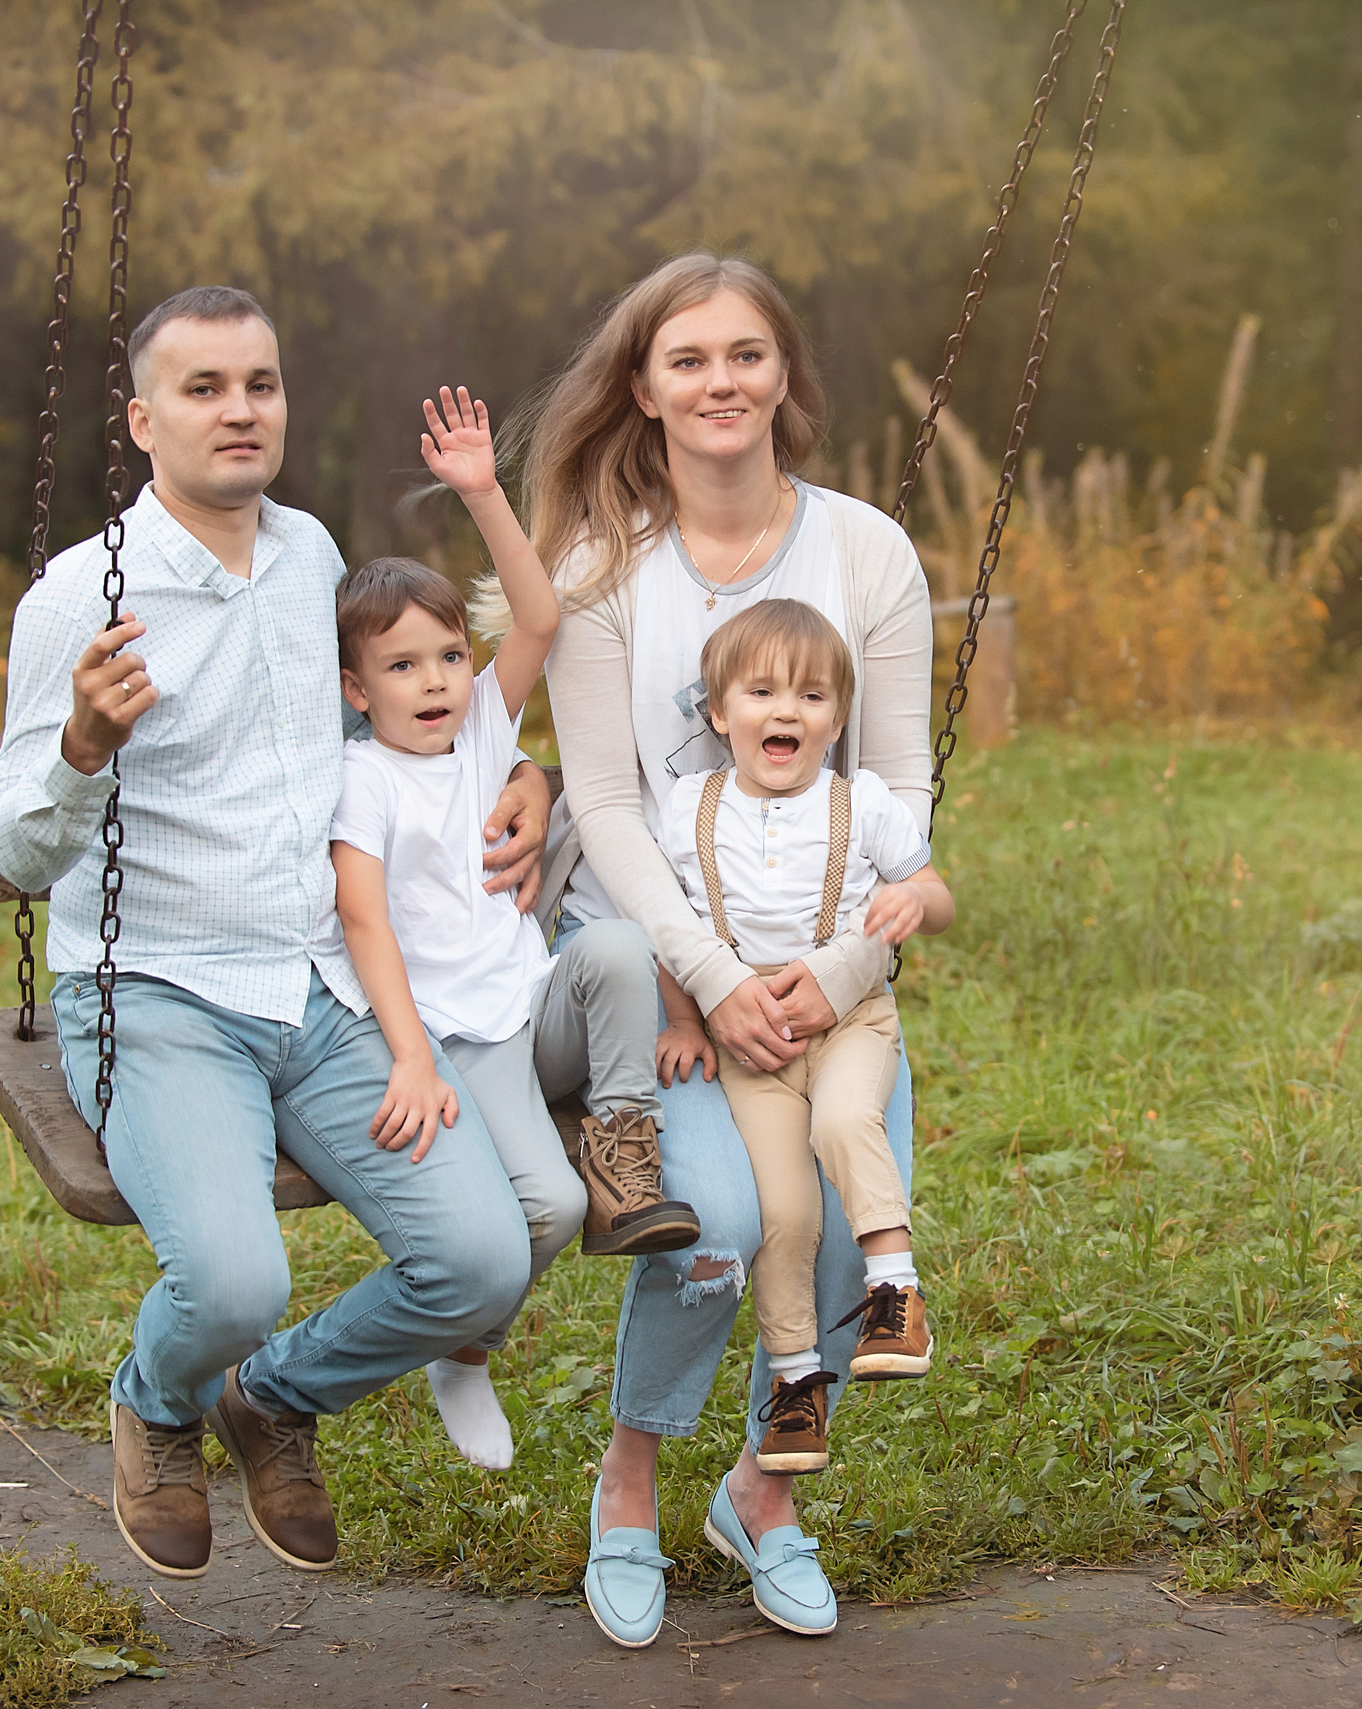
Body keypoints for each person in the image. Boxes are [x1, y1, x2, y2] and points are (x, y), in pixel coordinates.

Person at [0, 286, 553, 1583]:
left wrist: (522, 777)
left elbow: (377, 735)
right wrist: (81, 747)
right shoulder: (82, 601)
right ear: (141, 420)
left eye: (261, 383)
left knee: (481, 1264)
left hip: (320, 986)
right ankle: (158, 1401)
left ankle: (275, 1400)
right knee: (231, 1284)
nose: (240, 409)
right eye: (203, 388)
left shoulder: (305, 558)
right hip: (157, 995)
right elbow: (18, 847)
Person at [500, 252, 933, 1645]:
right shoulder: (601, 570)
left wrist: (843, 971)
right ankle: (629, 1483)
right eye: (688, 359)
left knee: (864, 1249)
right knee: (719, 1232)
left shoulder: (864, 551)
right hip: (650, 948)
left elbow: (901, 792)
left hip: (821, 950)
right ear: (644, 387)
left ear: (785, 376)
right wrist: (714, 975)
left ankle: (762, 1492)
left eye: (746, 353)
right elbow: (609, 803)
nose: (721, 381)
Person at [318, 387, 700, 1471]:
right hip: (461, 1035)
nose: (433, 681)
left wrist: (482, 493)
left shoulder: (486, 727)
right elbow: (359, 916)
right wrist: (407, 1054)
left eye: (444, 656)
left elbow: (537, 617)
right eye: (400, 666)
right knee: (542, 1203)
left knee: (618, 949)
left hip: (533, 1004)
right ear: (356, 689)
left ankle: (627, 1145)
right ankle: (466, 1347)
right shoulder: (365, 780)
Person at [657, 600, 953, 1474]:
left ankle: (896, 1291)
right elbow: (673, 926)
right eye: (761, 691)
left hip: (852, 1023)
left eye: (812, 696)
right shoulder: (688, 809)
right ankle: (795, 1383)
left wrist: (912, 902)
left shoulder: (861, 805)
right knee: (782, 1211)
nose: (786, 711)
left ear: (837, 718)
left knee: (842, 1123)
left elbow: (936, 894)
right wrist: (683, 1017)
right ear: (719, 712)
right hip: (753, 1050)